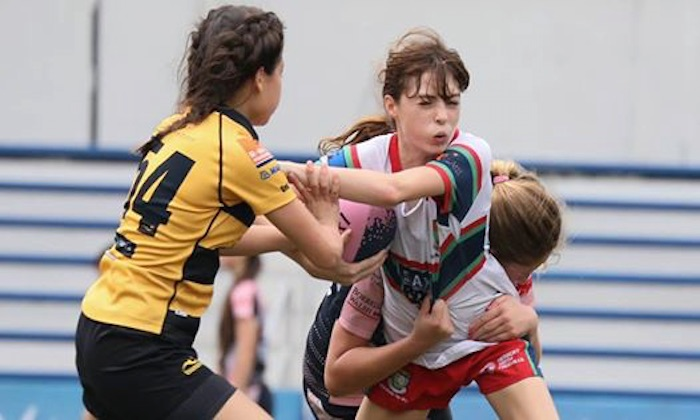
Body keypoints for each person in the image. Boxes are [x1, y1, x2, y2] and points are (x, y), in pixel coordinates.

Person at [74, 5, 383, 419]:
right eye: (280, 72)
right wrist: (326, 212)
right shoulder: (240, 150)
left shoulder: (179, 127)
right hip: (144, 344)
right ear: (260, 77)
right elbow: (329, 255)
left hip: (99, 325)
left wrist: (288, 235)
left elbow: (207, 238)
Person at [290, 29, 544, 420]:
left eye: (452, 102)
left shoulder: (471, 157)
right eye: (426, 102)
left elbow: (393, 190)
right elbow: (281, 205)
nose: (442, 116)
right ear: (392, 106)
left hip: (468, 343)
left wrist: (530, 322)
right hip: (398, 359)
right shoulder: (373, 234)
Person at [218, 255, 273, 414]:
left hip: (247, 392)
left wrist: (236, 398)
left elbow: (246, 350)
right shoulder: (247, 288)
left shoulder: (244, 291)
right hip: (247, 390)